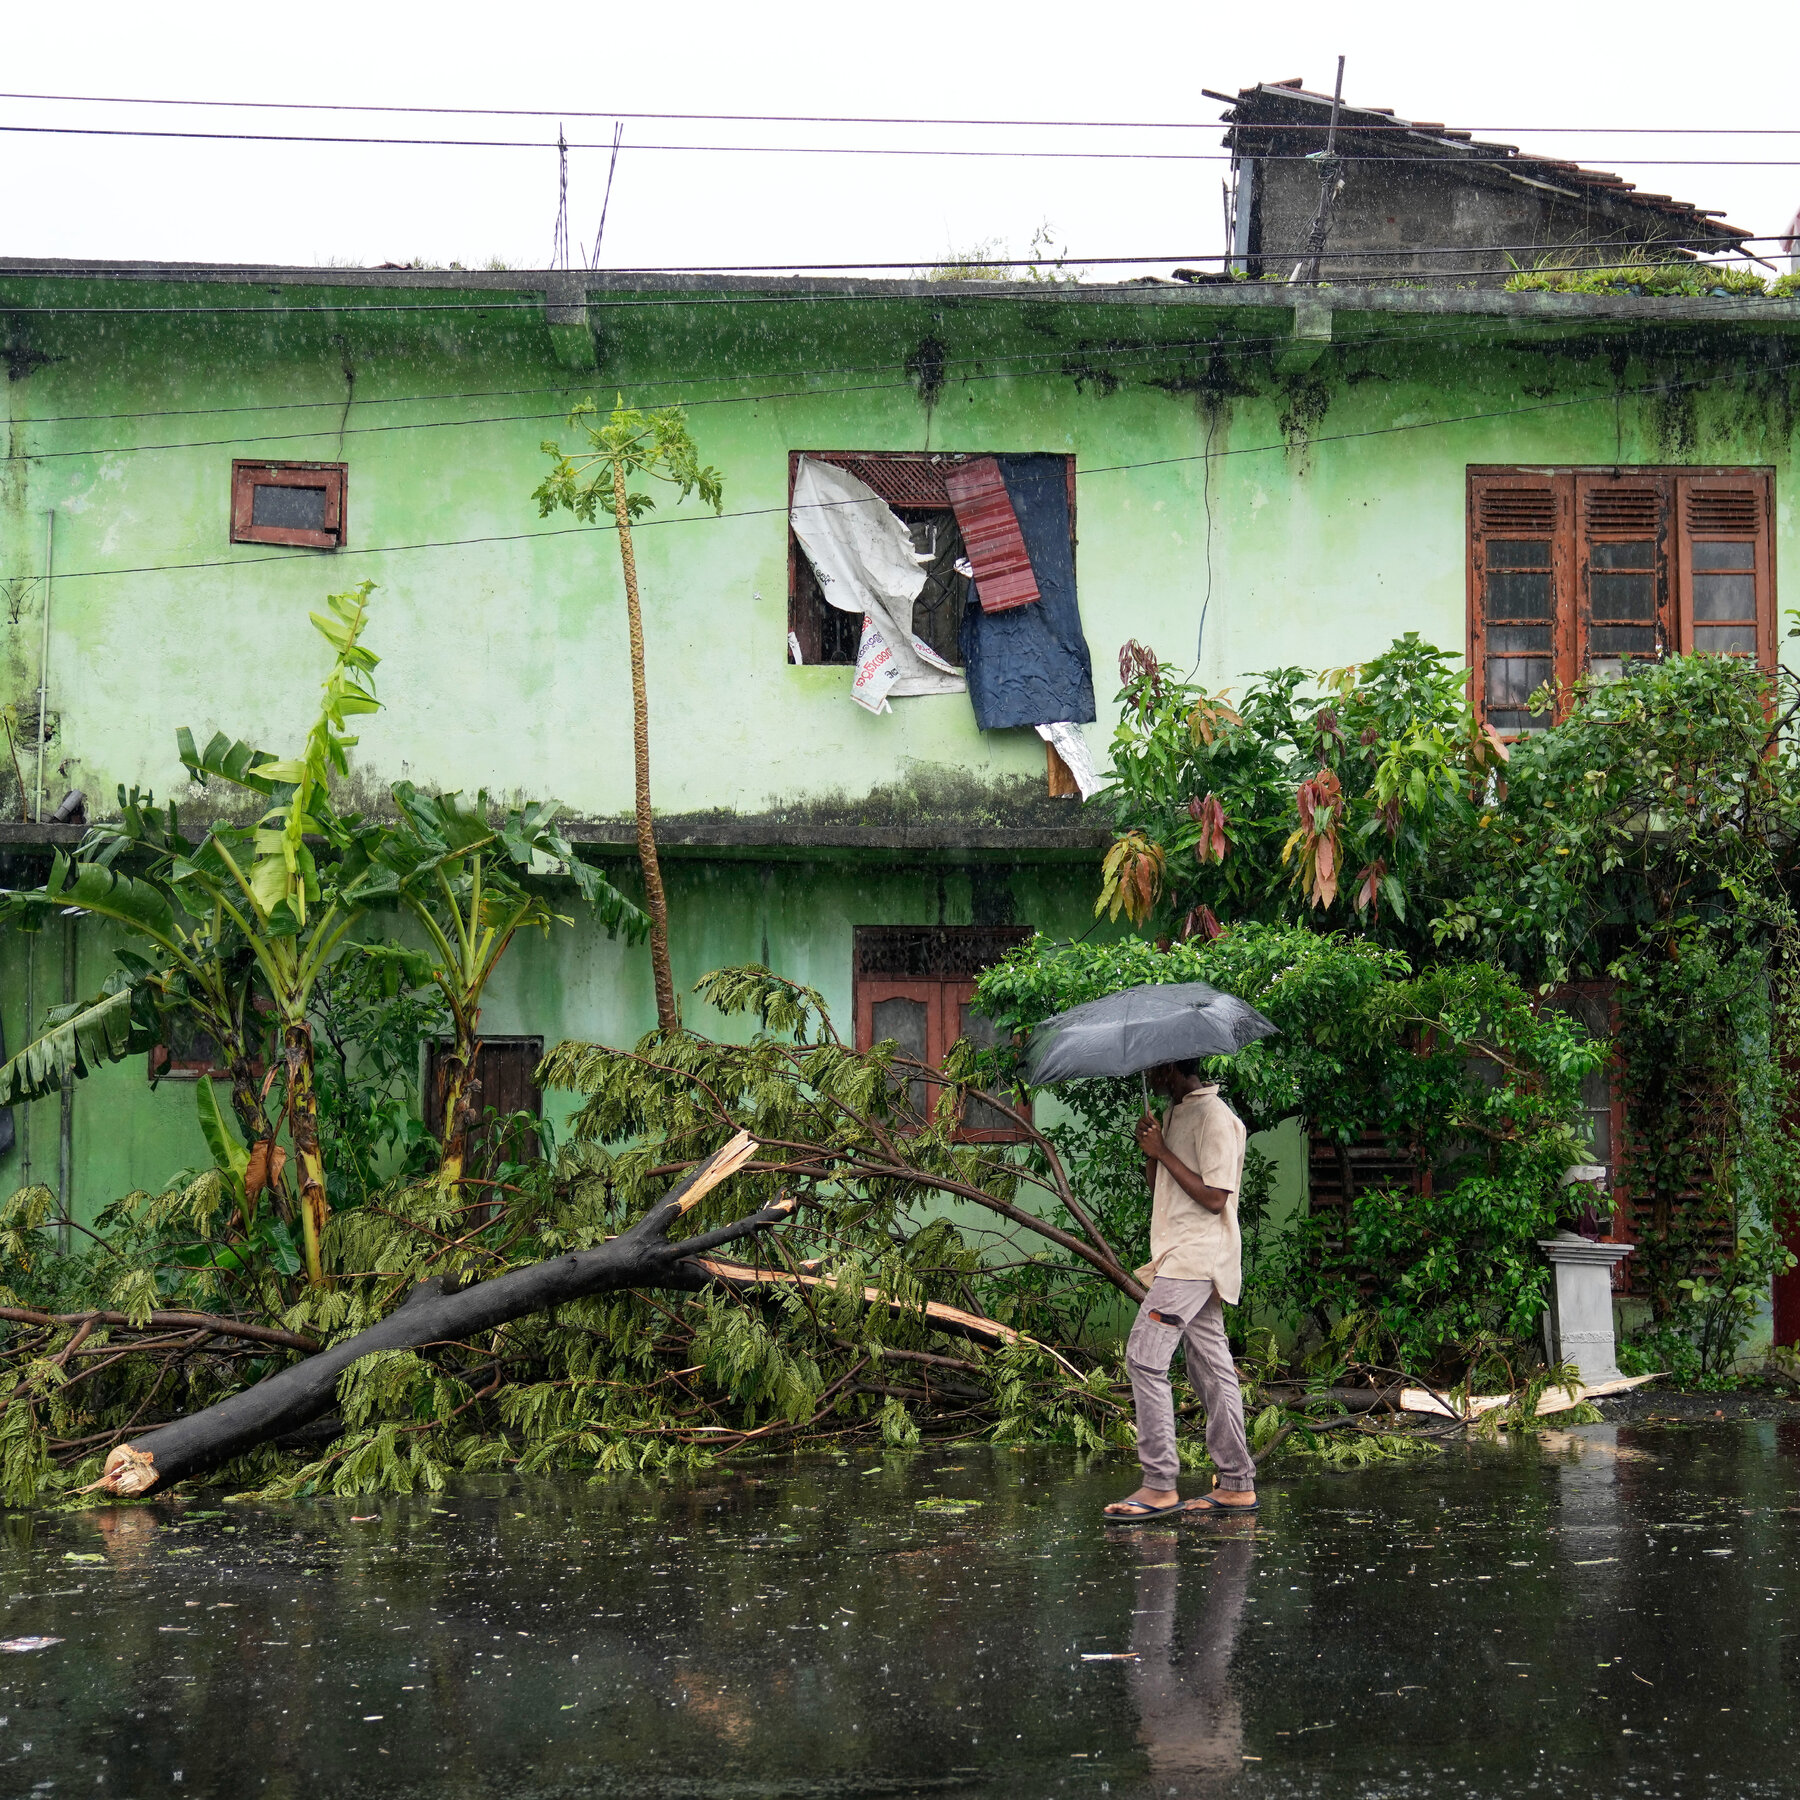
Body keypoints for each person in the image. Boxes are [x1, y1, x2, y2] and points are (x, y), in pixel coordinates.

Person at [1103, 1060, 1258, 1521]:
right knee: (1210, 1367)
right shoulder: (1174, 1114)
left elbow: (1215, 1198)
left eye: (1155, 1066)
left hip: (1196, 1260)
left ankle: (1159, 1484)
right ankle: (1236, 1484)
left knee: (1144, 1356)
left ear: (1172, 1065)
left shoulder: (1216, 1117)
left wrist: (1163, 1150)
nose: (1148, 1072)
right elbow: (1159, 1186)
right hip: (1179, 1257)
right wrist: (1152, 1150)